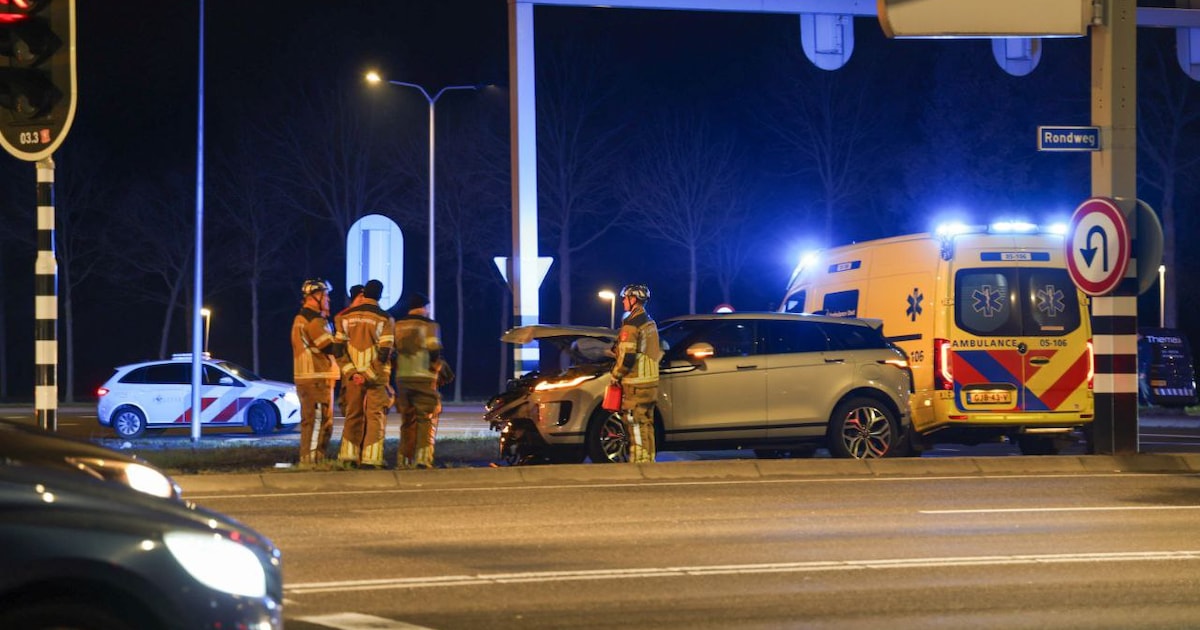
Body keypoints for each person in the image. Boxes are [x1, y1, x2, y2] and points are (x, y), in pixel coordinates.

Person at [334, 279, 395, 468]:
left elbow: (338, 350)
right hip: (375, 378)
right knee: (375, 416)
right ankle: (371, 459)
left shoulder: (345, 317)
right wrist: (368, 374)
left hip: (352, 377)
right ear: (380, 295)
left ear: (365, 294)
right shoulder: (384, 318)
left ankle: (348, 458)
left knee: (353, 414)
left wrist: (352, 373)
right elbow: (385, 351)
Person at [393, 292, 446, 469]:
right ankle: (423, 459)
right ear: (425, 307)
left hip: (403, 378)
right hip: (423, 377)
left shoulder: (398, 325)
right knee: (425, 418)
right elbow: (433, 349)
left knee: (407, 419)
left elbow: (392, 351)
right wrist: (436, 364)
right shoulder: (429, 325)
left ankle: (403, 459)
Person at [610, 283, 662, 463]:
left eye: (625, 297)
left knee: (635, 423)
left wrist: (615, 375)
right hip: (651, 384)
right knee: (647, 423)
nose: (623, 300)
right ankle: (649, 459)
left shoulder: (631, 325)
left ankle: (639, 464)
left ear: (634, 300)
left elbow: (627, 358)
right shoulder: (649, 323)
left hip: (635, 385)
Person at [290, 279, 339, 467]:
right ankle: (312, 462)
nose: (328, 299)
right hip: (316, 379)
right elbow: (329, 346)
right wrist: (344, 339)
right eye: (325, 295)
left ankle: (314, 459)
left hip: (310, 378)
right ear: (314, 296)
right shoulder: (314, 320)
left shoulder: (302, 319)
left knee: (315, 421)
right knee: (318, 421)